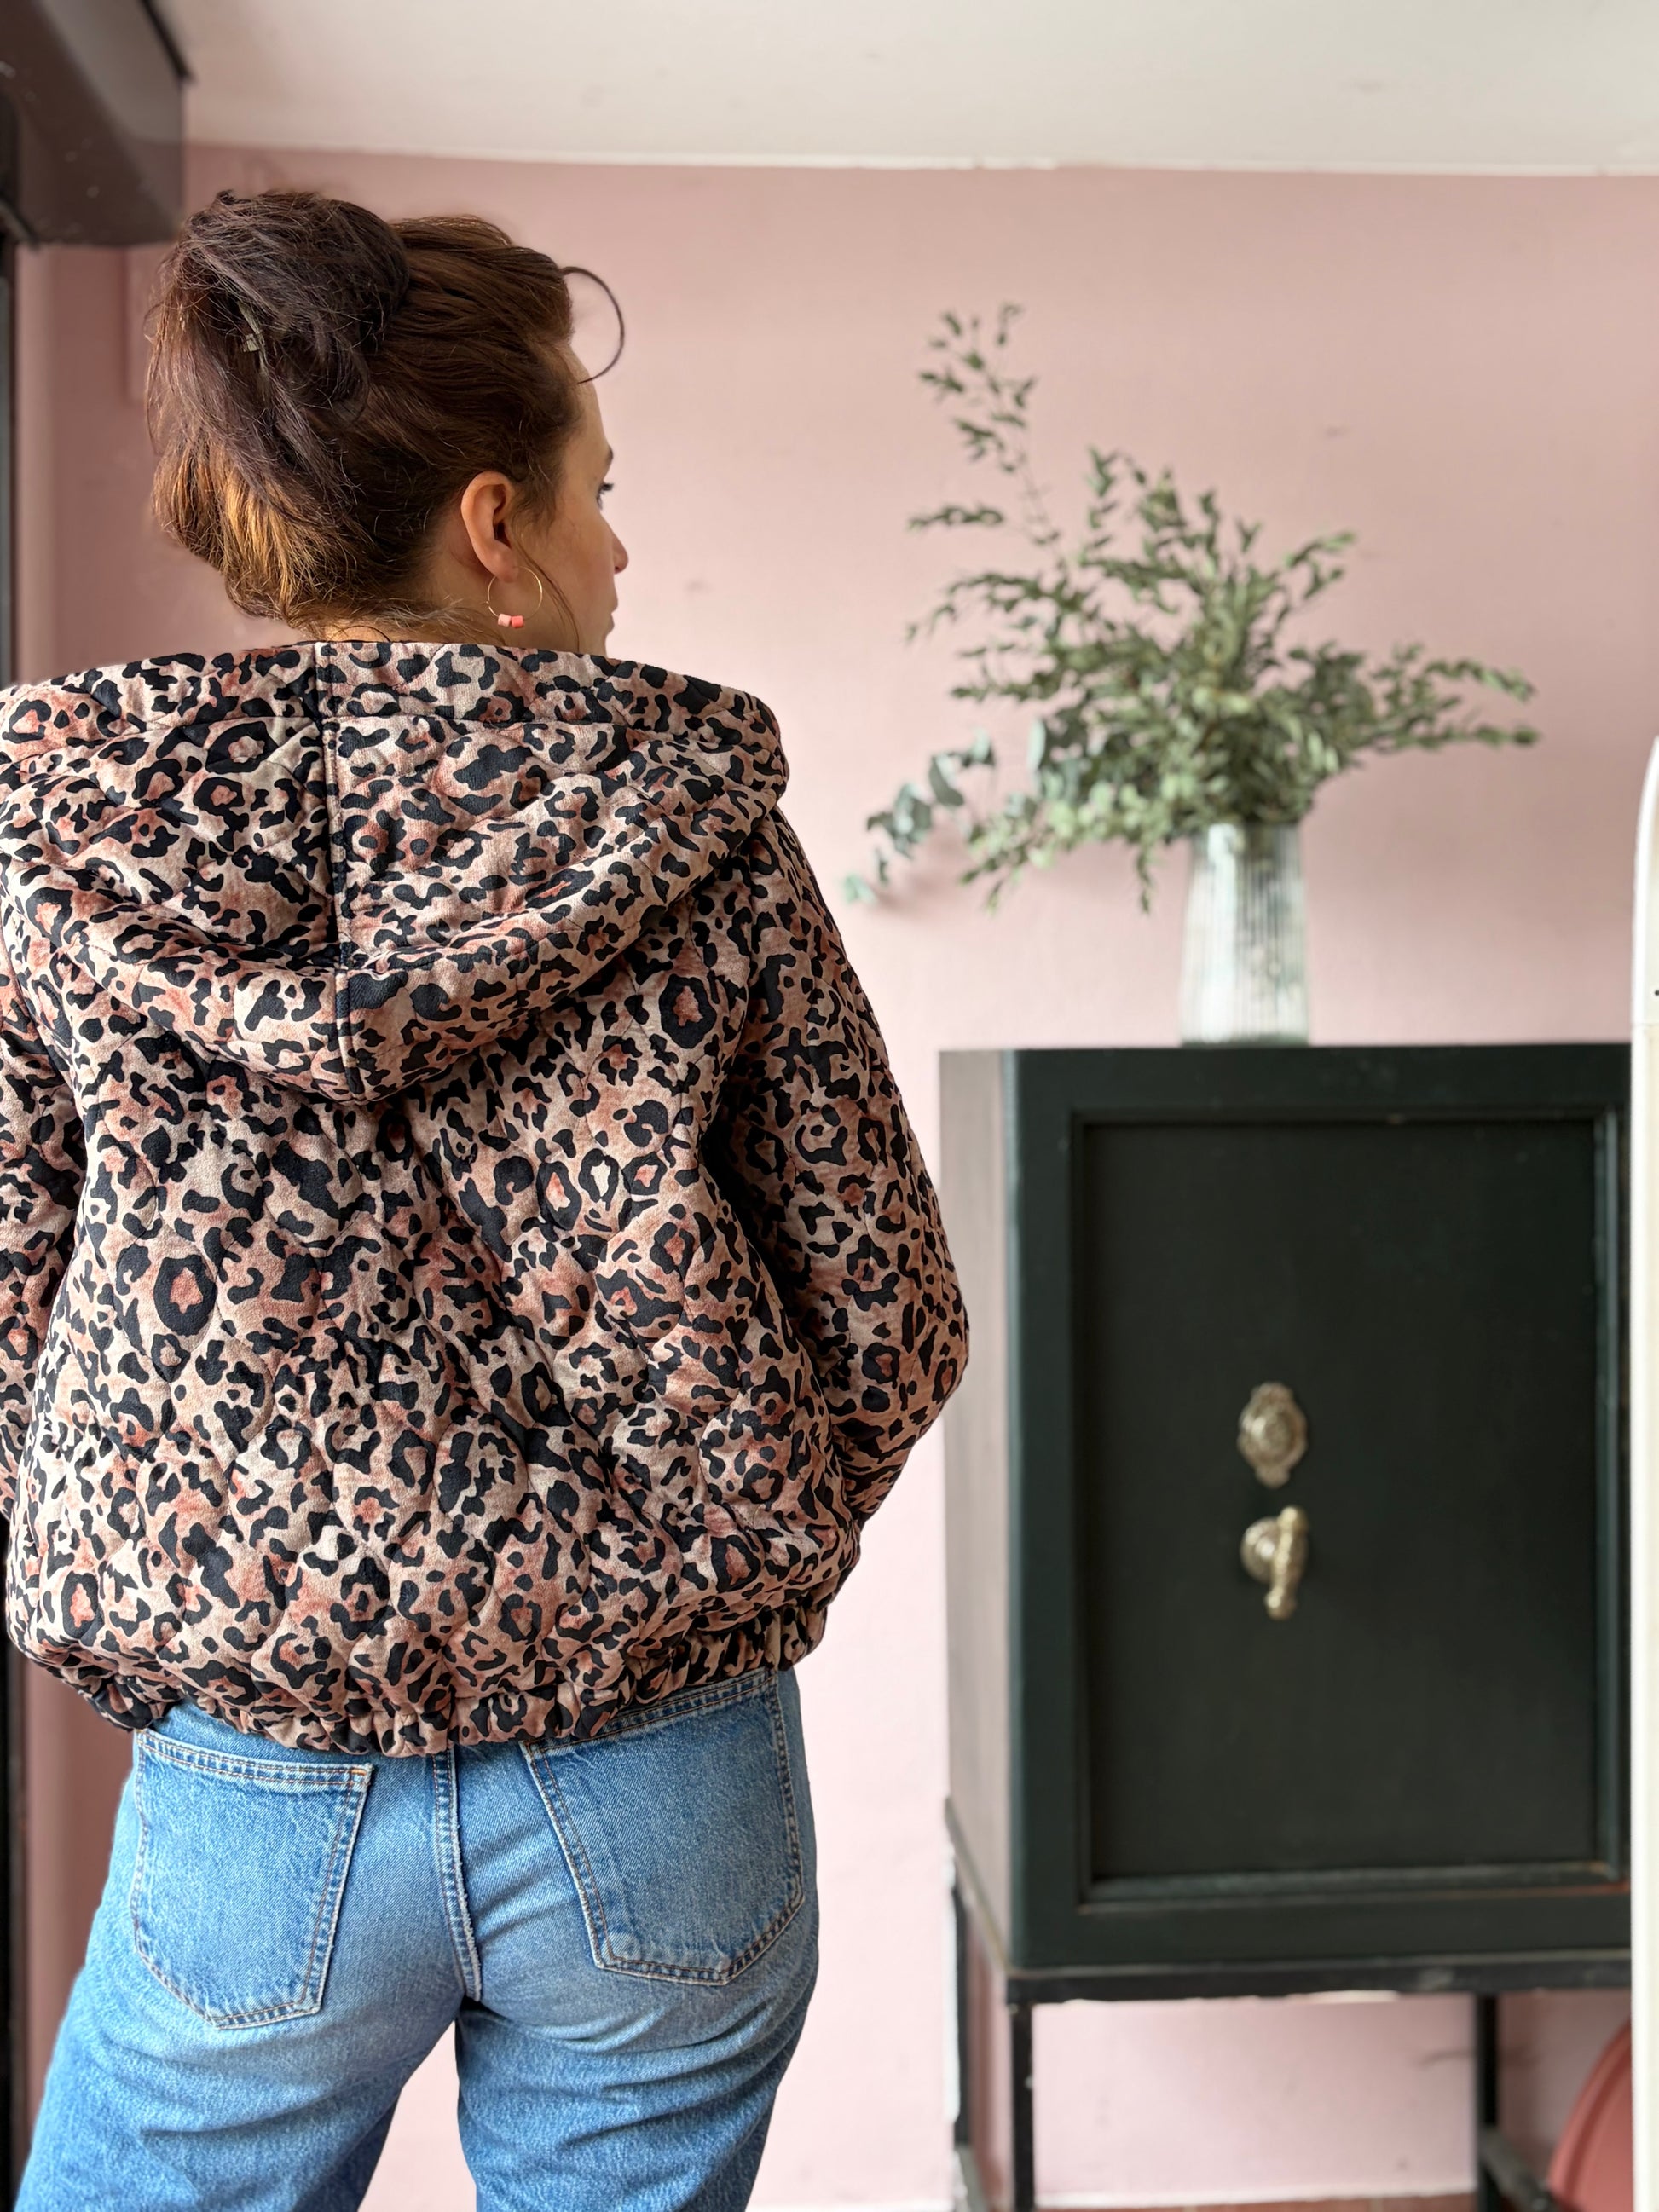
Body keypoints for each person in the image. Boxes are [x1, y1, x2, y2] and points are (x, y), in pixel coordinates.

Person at [3, 188, 967, 2212]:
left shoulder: (79, 850)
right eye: (599, 492)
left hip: (254, 1779)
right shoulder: (699, 832)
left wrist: (171, 1575)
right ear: (494, 525)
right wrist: (727, 1537)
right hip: (661, 1763)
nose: (620, 547)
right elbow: (887, 1305)